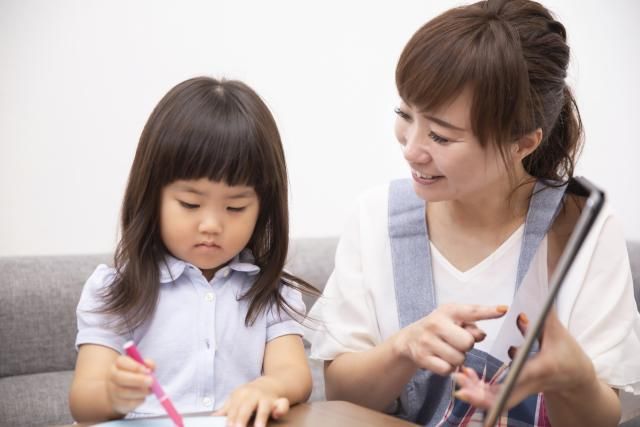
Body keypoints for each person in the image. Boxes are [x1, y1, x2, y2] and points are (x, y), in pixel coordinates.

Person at [307, 0, 640, 426]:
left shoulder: (582, 232)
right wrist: (403, 349)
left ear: (523, 143)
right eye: (404, 114)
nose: (411, 149)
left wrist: (574, 381)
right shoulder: (375, 218)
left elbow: (600, 418)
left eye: (441, 137)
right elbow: (341, 395)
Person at [69, 76, 315, 427]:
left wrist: (269, 386)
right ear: (151, 196)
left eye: (235, 208)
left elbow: (295, 374)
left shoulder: (270, 291)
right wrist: (112, 395)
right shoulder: (116, 290)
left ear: (263, 208)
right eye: (190, 204)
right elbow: (83, 402)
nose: (211, 225)